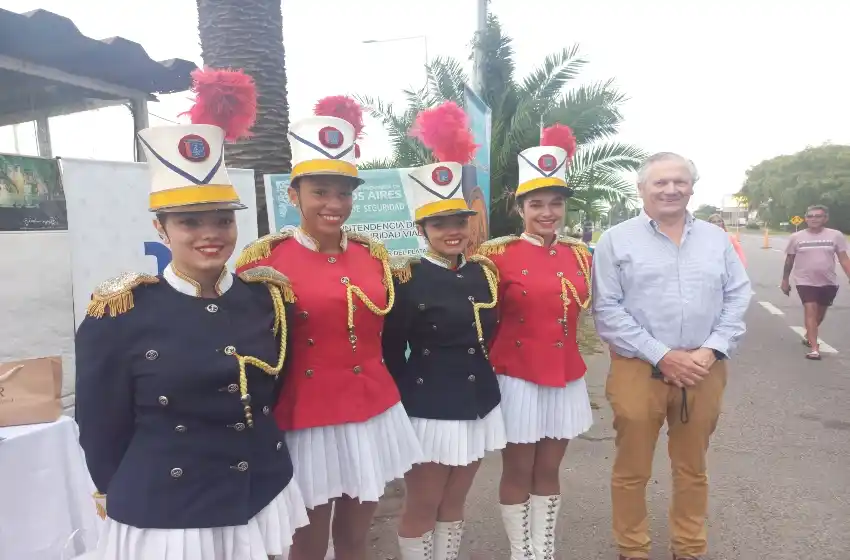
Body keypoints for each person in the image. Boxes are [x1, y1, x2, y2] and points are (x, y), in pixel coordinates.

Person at [74, 68, 309, 560]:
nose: (211, 234)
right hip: (169, 509)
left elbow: (273, 390)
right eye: (189, 222)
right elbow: (101, 425)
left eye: (223, 220)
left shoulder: (267, 298)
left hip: (260, 489)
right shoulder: (119, 313)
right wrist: (115, 490)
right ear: (161, 229)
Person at [235, 96, 422, 560]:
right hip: (308, 418)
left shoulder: (372, 254)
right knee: (309, 542)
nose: (334, 204)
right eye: (320, 191)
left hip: (372, 410)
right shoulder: (265, 260)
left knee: (357, 537)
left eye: (343, 193)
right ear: (293, 194)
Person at [592, 152, 752, 560]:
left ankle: (689, 547)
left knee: (692, 468)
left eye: (679, 181)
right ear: (641, 189)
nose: (671, 189)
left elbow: (737, 296)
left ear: (692, 188)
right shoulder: (616, 240)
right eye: (660, 182)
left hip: (704, 369)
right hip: (638, 369)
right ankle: (633, 550)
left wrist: (711, 350)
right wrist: (662, 355)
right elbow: (607, 309)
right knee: (632, 470)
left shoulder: (717, 240)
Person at [382, 102, 507, 560]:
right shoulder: (406, 278)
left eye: (459, 221)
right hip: (430, 406)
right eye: (440, 223)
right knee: (424, 502)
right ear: (422, 227)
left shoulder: (482, 273)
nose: (452, 231)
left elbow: (486, 339)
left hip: (479, 401)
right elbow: (392, 352)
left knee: (456, 500)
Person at [478, 124, 594, 560]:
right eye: (537, 204)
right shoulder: (494, 255)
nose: (547, 213)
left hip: (565, 375)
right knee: (518, 469)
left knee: (549, 469)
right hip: (518, 376)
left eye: (556, 204)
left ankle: (542, 550)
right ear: (520, 207)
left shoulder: (578, 254)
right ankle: (519, 552)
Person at [780, 204, 850, 360]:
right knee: (810, 310)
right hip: (805, 281)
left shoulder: (835, 236)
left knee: (820, 314)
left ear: (825, 218)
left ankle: (809, 334)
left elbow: (844, 259)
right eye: (810, 216)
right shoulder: (796, 237)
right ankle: (814, 348)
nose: (813, 219)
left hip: (828, 281)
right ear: (805, 218)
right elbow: (789, 260)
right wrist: (785, 280)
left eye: (818, 216)